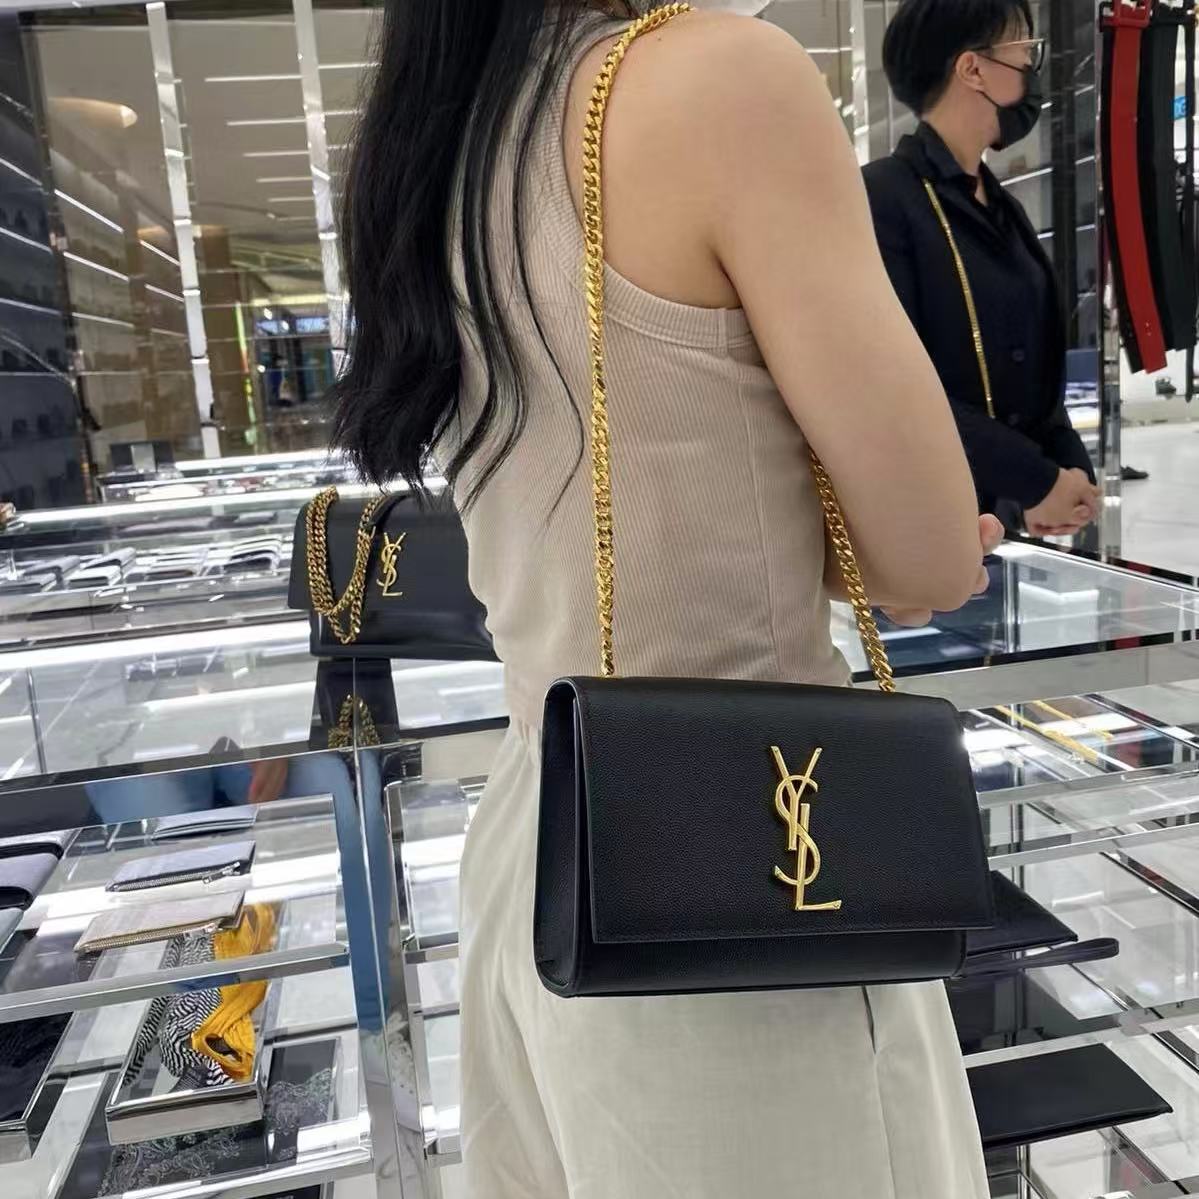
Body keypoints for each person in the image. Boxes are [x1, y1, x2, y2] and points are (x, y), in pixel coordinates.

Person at [331, 2, 1001, 1194]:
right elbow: (930, 559)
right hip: (753, 853)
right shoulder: (715, 79)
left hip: (543, 834)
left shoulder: (451, 132)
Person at [863, 0, 1103, 538]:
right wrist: (1035, 479)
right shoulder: (882, 199)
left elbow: (1034, 372)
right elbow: (894, 388)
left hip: (1001, 530)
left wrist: (1067, 472)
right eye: (1025, 52)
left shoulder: (1004, 208)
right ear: (973, 68)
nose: (1032, 69)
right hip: (925, 528)